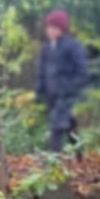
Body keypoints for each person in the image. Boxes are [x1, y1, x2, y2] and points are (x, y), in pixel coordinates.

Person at [35, 10, 90, 155]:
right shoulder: (47, 48)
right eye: (49, 28)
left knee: (57, 123)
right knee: (68, 123)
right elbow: (42, 70)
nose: (51, 31)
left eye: (55, 28)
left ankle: (54, 160)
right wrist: (40, 90)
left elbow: (82, 70)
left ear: (62, 29)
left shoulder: (72, 46)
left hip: (67, 92)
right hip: (51, 93)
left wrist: (71, 86)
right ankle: (79, 152)